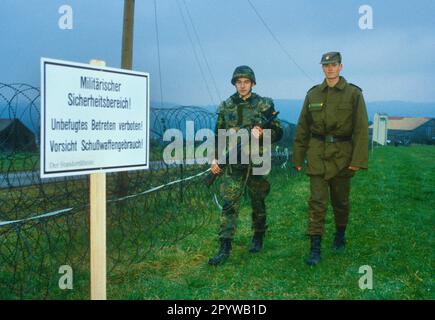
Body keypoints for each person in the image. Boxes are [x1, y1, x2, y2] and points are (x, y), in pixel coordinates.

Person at [293, 52, 369, 266]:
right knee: (316, 202)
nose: (329, 68)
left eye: (333, 65)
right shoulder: (313, 94)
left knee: (340, 201)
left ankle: (339, 234)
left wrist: (357, 160)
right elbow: (302, 128)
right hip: (317, 153)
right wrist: (298, 157)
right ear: (322, 68)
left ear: (341, 67)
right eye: (326, 65)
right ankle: (315, 248)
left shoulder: (354, 94)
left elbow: (361, 129)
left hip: (343, 155)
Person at [208, 65, 283, 266]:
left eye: (246, 82)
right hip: (234, 163)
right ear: (235, 84)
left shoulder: (264, 104)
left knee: (258, 201)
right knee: (229, 204)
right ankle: (225, 246)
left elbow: (278, 132)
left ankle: (258, 235)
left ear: (252, 83)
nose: (242, 86)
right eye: (239, 82)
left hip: (258, 161)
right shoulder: (226, 106)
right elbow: (218, 135)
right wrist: (215, 158)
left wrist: (264, 134)